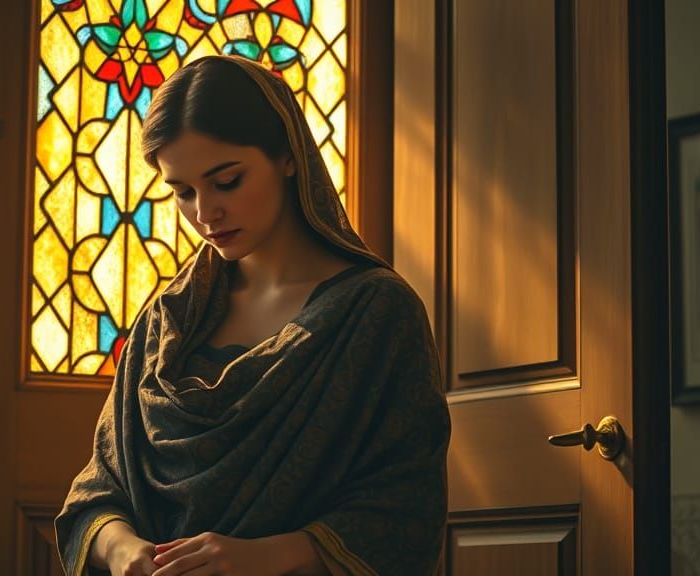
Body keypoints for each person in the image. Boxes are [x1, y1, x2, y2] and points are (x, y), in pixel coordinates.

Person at [54, 54, 450, 576]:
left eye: (227, 181)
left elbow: (406, 509)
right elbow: (98, 491)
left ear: (288, 156)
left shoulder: (376, 312)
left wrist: (263, 557)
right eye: (183, 191)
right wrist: (124, 550)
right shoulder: (167, 319)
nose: (204, 213)